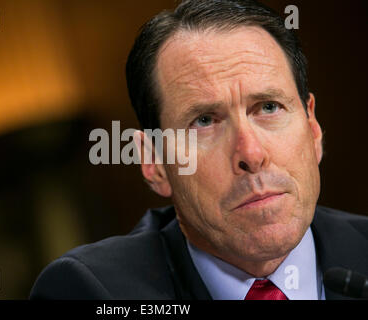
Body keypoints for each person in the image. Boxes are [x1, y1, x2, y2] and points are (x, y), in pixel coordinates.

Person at [30, 0, 368, 300]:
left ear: (313, 129)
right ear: (154, 162)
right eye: (204, 121)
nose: (250, 154)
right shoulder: (89, 291)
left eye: (268, 107)